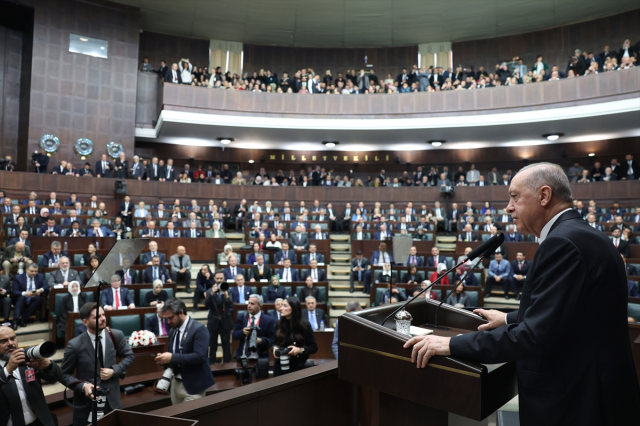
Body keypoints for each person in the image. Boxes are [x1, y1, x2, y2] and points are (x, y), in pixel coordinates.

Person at [404, 162, 640, 425]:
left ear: (544, 196)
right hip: (599, 390)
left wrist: (450, 344)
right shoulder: (584, 235)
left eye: (515, 196)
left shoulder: (561, 244)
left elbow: (534, 336)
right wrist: (507, 319)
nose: (508, 206)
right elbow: (573, 313)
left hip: (577, 402)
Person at [61, 303, 135, 425]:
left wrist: (114, 370)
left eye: (103, 314)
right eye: (97, 317)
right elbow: (63, 374)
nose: (103, 319)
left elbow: (130, 356)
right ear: (85, 322)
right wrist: (83, 386)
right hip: (87, 404)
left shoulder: (116, 335)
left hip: (112, 401)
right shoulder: (75, 345)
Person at [0, 325, 64, 426]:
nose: (10, 343)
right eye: (3, 341)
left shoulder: (28, 357)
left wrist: (48, 366)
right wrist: (7, 370)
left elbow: (55, 378)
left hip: (39, 421)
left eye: (12, 338)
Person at [155, 298, 214, 405]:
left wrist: (172, 357)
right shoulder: (173, 330)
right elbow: (173, 354)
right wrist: (164, 359)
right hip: (175, 384)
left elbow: (200, 356)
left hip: (194, 386)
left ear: (181, 313)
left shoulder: (199, 329)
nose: (168, 322)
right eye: (166, 319)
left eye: (171, 318)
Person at [272, 297, 318, 376]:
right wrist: (274, 348)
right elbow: (274, 342)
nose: (281, 308)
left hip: (297, 367)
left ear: (293, 308)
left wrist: (300, 350)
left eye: (285, 306)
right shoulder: (279, 324)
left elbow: (314, 347)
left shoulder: (305, 325)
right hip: (279, 367)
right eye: (281, 305)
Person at [232, 294, 276, 361]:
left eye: (252, 304)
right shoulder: (241, 317)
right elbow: (234, 336)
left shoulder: (269, 320)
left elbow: (272, 340)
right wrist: (242, 332)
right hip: (242, 358)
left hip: (260, 358)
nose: (249, 306)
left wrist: (261, 341)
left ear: (260, 306)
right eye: (248, 303)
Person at [205, 270, 233, 363]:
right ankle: (212, 367)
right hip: (213, 322)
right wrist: (212, 294)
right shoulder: (209, 291)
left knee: (226, 347)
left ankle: (227, 367)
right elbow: (206, 305)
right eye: (217, 278)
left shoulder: (229, 290)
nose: (219, 280)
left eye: (221, 278)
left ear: (224, 278)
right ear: (214, 279)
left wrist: (226, 296)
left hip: (225, 322)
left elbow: (231, 304)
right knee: (212, 347)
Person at [11, 264, 47, 329]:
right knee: (22, 298)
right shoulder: (18, 277)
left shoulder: (40, 276)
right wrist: (26, 293)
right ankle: (15, 321)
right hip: (20, 298)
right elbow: (14, 291)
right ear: (27, 270)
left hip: (33, 297)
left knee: (39, 299)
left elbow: (45, 286)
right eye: (32, 271)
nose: (34, 273)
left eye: (36, 271)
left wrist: (40, 290)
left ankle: (23, 320)